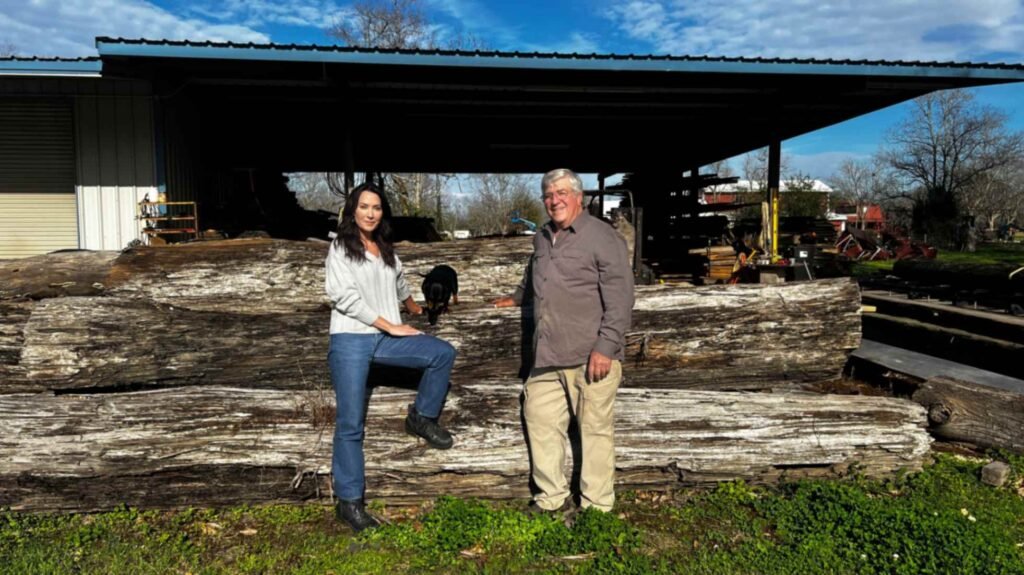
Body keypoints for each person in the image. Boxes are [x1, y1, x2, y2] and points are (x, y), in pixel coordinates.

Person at [494, 168, 634, 515]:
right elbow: (535, 272)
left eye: (560, 193)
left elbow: (621, 297)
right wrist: (517, 297)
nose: (553, 200)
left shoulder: (603, 237)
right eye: (547, 194)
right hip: (547, 354)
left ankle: (597, 509)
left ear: (578, 197)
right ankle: (551, 499)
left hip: (591, 355)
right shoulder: (542, 236)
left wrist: (606, 346)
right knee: (539, 420)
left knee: (595, 432)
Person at [326, 182, 457, 532]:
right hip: (352, 340)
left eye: (377, 207)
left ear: (383, 213)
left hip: (384, 338)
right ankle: (349, 503)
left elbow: (398, 282)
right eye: (364, 206)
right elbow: (345, 299)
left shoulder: (385, 248)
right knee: (350, 425)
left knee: (441, 352)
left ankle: (422, 417)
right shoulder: (340, 248)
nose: (370, 213)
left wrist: (413, 307)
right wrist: (392, 325)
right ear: (353, 210)